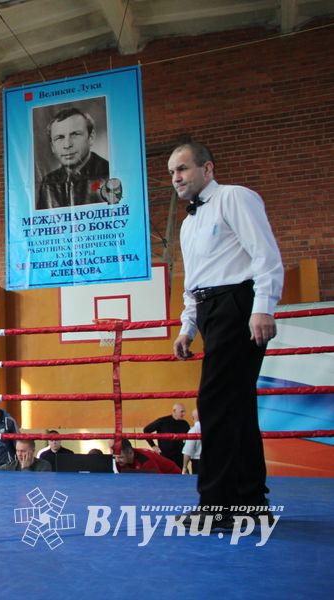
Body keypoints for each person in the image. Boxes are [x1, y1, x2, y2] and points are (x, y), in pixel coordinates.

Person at [169, 142, 283, 529]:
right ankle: (252, 504)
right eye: (172, 172)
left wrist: (263, 306)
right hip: (210, 311)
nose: (176, 178)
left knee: (214, 405)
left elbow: (265, 254)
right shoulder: (188, 223)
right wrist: (188, 326)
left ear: (207, 169)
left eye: (183, 168)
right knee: (237, 409)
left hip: (238, 305)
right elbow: (194, 281)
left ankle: (215, 506)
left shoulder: (235, 198)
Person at [36, 107, 110, 210]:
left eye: (75, 134)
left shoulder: (109, 173)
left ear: (91, 138)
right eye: (60, 137)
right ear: (52, 146)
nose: (67, 145)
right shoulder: (48, 182)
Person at [142, 403, 190, 468]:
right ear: (174, 411)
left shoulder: (185, 424)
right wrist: (153, 445)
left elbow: (189, 440)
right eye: (181, 411)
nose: (184, 414)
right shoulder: (162, 421)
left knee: (179, 473)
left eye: (184, 412)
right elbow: (146, 430)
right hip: (165, 457)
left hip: (179, 458)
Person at [114, 438, 180, 474]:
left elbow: (158, 481)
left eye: (121, 457)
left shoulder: (145, 461)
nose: (117, 460)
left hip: (173, 476)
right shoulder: (120, 462)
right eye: (115, 457)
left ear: (130, 453)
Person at [181, 409, 201, 475]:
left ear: (192, 417)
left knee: (198, 480)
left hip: (198, 463)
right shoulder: (213, 428)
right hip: (214, 461)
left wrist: (184, 468)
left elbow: (188, 451)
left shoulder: (193, 430)